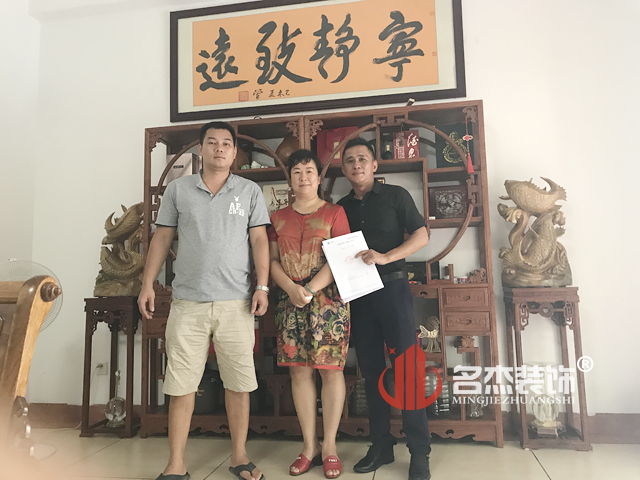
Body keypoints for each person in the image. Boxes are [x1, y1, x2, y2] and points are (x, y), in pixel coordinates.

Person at [137, 121, 270, 480]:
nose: (219, 148)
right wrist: (147, 283)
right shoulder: (178, 189)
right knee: (181, 385)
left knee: (238, 383)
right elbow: (162, 237)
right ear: (201, 149)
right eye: (212, 142)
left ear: (234, 151)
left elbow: (259, 240)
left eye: (226, 143)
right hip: (188, 303)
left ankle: (239, 457)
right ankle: (175, 463)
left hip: (236, 303)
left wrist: (262, 286)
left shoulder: (249, 191)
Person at [337, 138, 432, 480]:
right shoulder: (340, 208)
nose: (357, 165)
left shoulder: (396, 196)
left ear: (374, 165)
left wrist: (386, 257)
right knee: (371, 371)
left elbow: (422, 235)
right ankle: (381, 445)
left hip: (393, 289)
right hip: (359, 295)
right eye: (350, 161)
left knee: (407, 370)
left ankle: (419, 451)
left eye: (362, 159)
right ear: (344, 169)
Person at [268, 149, 350, 479]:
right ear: (290, 179)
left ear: (319, 178)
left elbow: (342, 257)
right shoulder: (277, 217)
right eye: (297, 171)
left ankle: (329, 446)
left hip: (328, 302)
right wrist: (291, 288)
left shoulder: (335, 212)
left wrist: (311, 289)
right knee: (299, 372)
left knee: (330, 370)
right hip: (290, 301)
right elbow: (272, 260)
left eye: (309, 171)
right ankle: (308, 446)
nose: (303, 177)